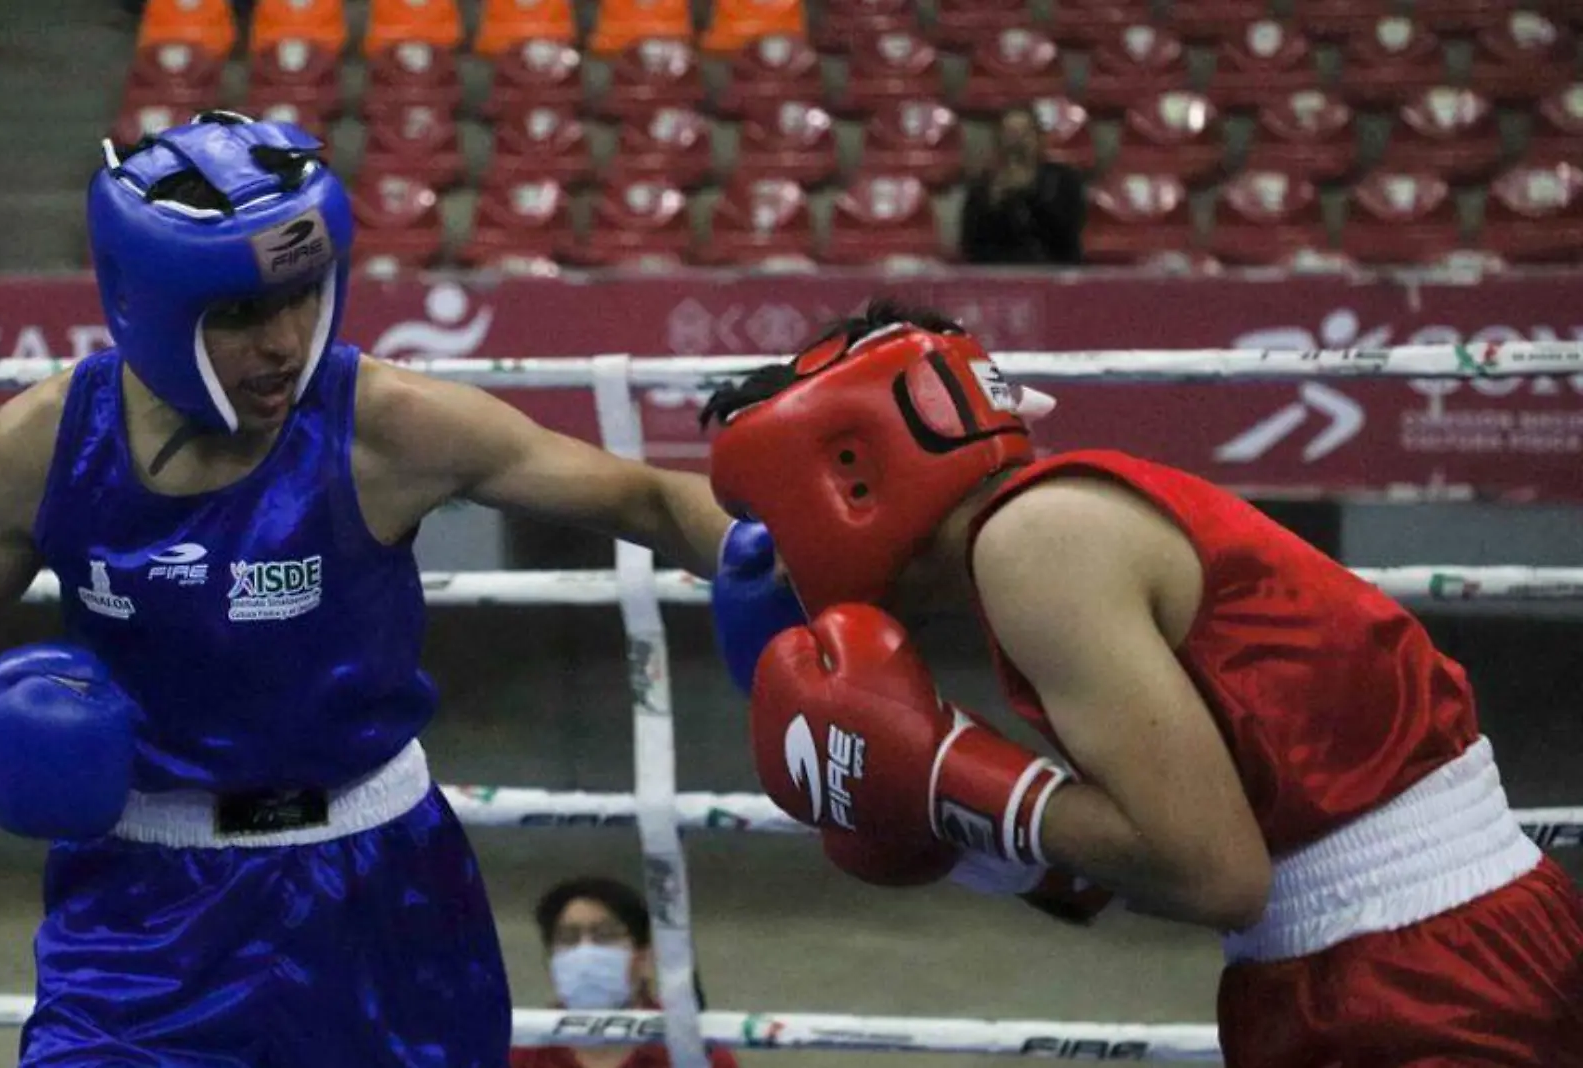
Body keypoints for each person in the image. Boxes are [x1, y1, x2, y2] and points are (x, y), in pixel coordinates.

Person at [0, 111, 735, 1067]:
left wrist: (790, 569)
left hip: (379, 886)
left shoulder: (388, 426)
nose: (286, 341)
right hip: (140, 910)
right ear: (149, 306)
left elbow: (656, 502)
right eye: (243, 312)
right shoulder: (40, 445)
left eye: (301, 295)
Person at [701, 299, 1583, 1067]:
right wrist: (981, 841)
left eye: (774, 519)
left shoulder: (1037, 542)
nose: (776, 568)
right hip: (1356, 964)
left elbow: (1214, 875)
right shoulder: (1054, 527)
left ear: (849, 473)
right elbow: (1199, 859)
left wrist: (948, 779)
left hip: (1422, 977)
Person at [510, 877, 738, 1068]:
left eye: (605, 935)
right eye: (568, 938)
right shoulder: (519, 1050)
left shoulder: (695, 1053)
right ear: (551, 961)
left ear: (644, 958)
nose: (585, 951)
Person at [957, 105, 1084, 266]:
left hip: (1053, 273)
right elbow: (972, 248)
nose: (1018, 143)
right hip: (1000, 278)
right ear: (998, 140)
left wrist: (1029, 193)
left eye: (1025, 134)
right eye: (1011, 134)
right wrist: (994, 205)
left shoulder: (1064, 179)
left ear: (1039, 138)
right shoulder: (982, 187)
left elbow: (1066, 236)